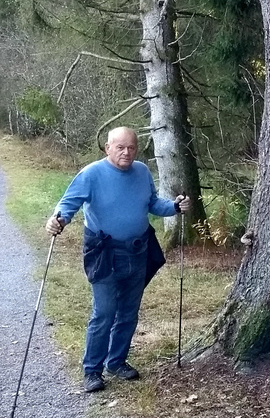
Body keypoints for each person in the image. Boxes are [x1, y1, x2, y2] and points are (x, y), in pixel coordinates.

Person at [45, 126, 191, 393]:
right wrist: (59, 220)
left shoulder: (142, 172)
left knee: (128, 312)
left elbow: (153, 204)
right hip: (104, 254)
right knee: (104, 313)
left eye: (131, 147)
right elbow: (68, 204)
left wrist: (173, 207)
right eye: (120, 147)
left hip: (138, 251)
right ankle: (92, 370)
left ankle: (117, 361)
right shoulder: (91, 174)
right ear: (108, 148)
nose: (126, 152)